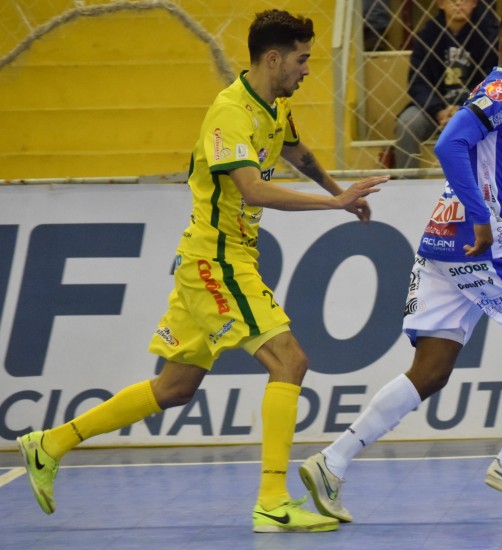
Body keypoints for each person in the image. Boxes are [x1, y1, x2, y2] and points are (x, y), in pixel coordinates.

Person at [16, 9, 387, 534]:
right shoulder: (229, 114)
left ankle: (49, 443)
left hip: (215, 259)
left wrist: (337, 191)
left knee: (174, 388)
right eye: (302, 60)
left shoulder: (273, 104)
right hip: (217, 260)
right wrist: (333, 207)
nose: (308, 69)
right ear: (274, 57)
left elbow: (295, 150)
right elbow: (253, 190)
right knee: (290, 360)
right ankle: (272, 501)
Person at [299, 5, 502, 523]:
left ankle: (331, 461)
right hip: (476, 244)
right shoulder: (500, 93)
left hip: (442, 242)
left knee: (428, 374)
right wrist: (480, 220)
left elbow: (500, 193)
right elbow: (448, 143)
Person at [392, 0, 498, 170]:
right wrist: (438, 110)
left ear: (474, 3)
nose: (458, 3)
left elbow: (491, 81)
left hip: (475, 108)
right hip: (434, 110)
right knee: (407, 123)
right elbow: (417, 82)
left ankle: (487, 184)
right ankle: (406, 179)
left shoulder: (491, 36)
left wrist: (463, 108)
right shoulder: (426, 35)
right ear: (441, 3)